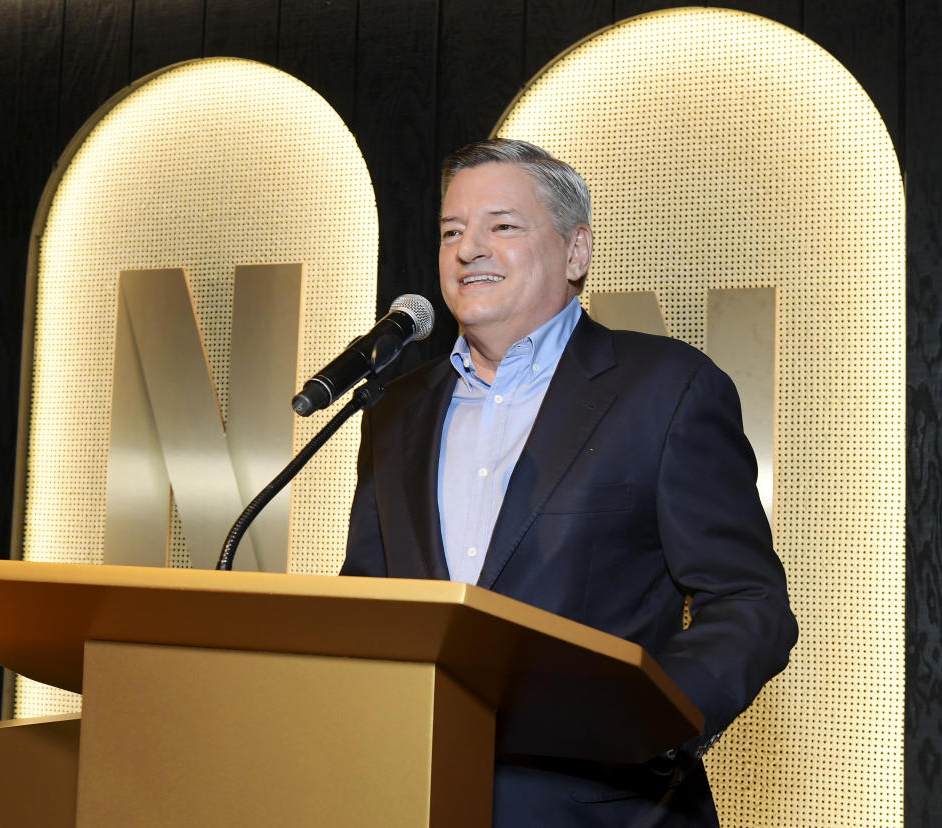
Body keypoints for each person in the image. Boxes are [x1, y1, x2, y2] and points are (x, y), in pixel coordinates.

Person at [342, 138, 797, 827]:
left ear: (576, 252)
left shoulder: (666, 389)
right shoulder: (396, 410)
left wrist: (646, 724)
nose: (469, 250)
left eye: (503, 226)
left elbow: (749, 601)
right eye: (452, 231)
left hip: (606, 808)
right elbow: (369, 603)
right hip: (415, 796)